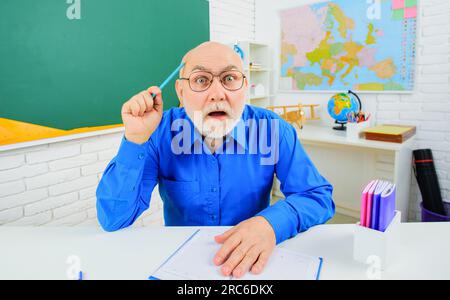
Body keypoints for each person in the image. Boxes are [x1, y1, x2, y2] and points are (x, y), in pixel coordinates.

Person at [96, 41, 335, 278]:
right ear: (181, 92)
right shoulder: (157, 132)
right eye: (201, 80)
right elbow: (114, 218)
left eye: (229, 79)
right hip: (181, 270)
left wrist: (271, 224)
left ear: (245, 86)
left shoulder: (273, 129)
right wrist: (135, 140)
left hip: (253, 271)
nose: (217, 94)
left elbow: (317, 196)